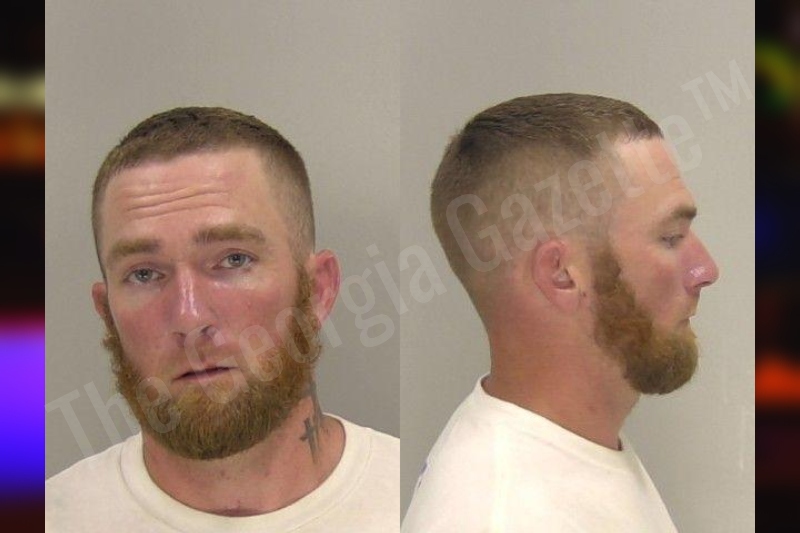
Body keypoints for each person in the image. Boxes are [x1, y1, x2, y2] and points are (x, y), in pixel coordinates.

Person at [45, 107, 399, 532]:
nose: (190, 317)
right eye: (144, 274)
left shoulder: (422, 506)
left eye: (233, 260)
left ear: (318, 291)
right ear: (107, 314)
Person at [402, 94, 719, 531]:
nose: (706, 270)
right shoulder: (502, 516)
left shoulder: (573, 452)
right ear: (562, 274)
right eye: (671, 237)